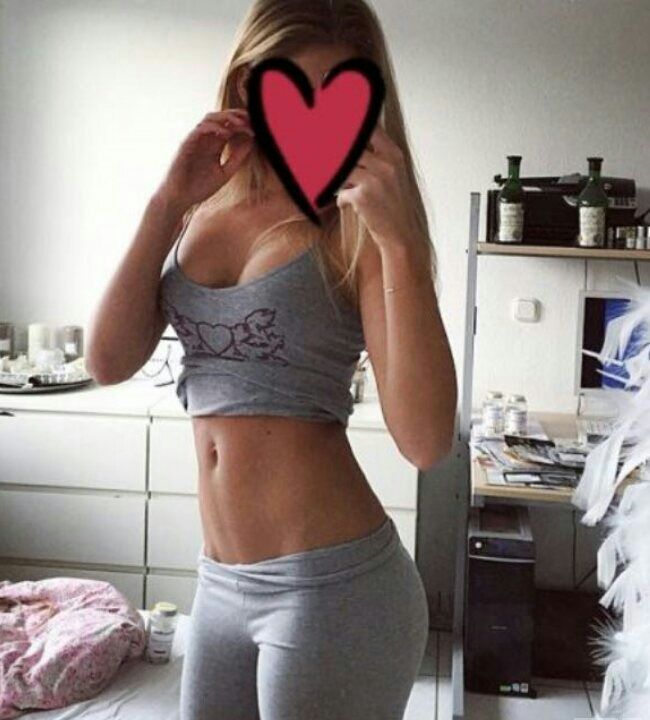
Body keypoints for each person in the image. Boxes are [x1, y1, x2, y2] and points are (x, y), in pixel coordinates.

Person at [86, 0, 457, 717]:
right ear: (245, 84)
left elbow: (426, 440)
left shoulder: (360, 224)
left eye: (336, 95)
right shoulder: (201, 206)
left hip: (335, 590)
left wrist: (403, 244)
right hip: (221, 585)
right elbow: (108, 360)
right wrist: (165, 202)